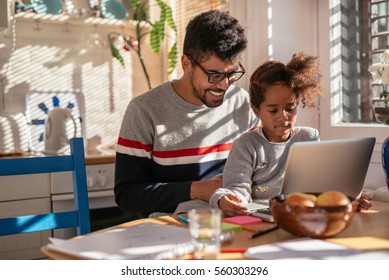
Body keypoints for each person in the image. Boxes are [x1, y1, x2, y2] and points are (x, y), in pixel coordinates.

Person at [114, 10, 259, 217]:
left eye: (231, 74)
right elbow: (127, 196)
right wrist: (194, 190)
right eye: (215, 75)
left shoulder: (240, 102)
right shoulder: (144, 111)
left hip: (234, 221)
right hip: (170, 229)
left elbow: (260, 169)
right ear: (186, 64)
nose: (224, 85)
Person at [210, 52, 372, 216]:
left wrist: (347, 199)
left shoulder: (309, 137)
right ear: (256, 110)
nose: (283, 116)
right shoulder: (246, 145)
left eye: (290, 108)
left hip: (303, 212)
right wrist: (225, 199)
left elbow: (321, 183)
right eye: (273, 110)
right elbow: (237, 188)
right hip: (263, 215)